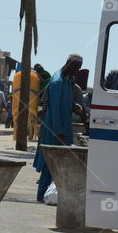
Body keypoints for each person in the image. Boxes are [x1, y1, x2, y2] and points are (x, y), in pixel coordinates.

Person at [33, 54, 84, 202]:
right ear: (70, 65)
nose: (76, 72)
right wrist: (58, 132)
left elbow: (66, 101)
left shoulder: (67, 81)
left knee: (58, 164)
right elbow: (54, 109)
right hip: (54, 129)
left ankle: (51, 194)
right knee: (49, 164)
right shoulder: (57, 81)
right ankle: (41, 195)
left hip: (63, 128)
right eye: (76, 68)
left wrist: (75, 106)